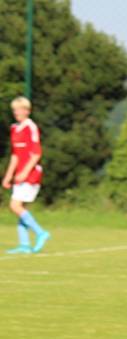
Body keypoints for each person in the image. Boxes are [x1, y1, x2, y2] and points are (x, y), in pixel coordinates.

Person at [2, 96, 50, 254]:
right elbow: (15, 155)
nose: (17, 112)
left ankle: (40, 233)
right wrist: (8, 176)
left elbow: (36, 154)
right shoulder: (14, 128)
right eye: (15, 109)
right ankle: (24, 245)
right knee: (20, 208)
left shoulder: (31, 127)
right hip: (19, 175)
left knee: (14, 205)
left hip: (30, 175)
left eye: (20, 109)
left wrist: (24, 172)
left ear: (27, 111)